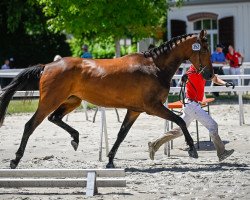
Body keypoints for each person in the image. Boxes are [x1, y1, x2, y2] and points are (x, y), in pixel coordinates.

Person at [148, 65, 235, 162]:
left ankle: (154, 144)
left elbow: (214, 78)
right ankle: (221, 152)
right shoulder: (192, 72)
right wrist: (184, 79)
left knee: (179, 131)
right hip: (192, 105)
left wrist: (225, 83)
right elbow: (184, 78)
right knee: (213, 126)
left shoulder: (204, 69)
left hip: (190, 105)